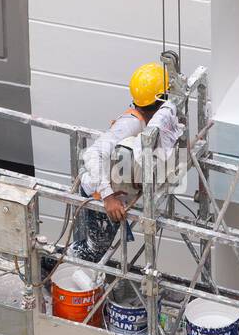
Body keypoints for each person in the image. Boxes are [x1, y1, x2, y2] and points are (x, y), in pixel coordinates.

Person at [68, 62, 184, 263]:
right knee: (93, 252)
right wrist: (108, 197)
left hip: (117, 189)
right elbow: (92, 154)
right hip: (99, 192)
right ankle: (48, 264)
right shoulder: (130, 124)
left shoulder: (148, 121)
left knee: (99, 251)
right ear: (161, 99)